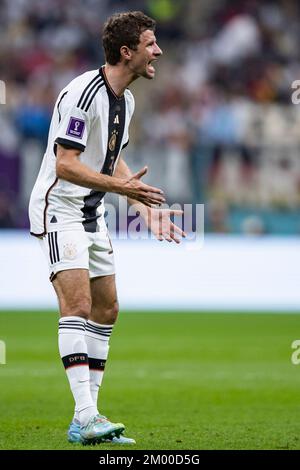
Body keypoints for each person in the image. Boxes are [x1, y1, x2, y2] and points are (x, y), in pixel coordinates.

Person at [29, 11, 185, 446]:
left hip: (92, 213)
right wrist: (122, 188)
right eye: (151, 44)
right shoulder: (83, 93)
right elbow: (66, 163)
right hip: (59, 208)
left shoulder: (127, 100)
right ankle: (84, 416)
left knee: (107, 309)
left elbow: (111, 158)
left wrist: (142, 206)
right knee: (76, 305)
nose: (159, 51)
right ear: (127, 51)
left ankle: (92, 416)